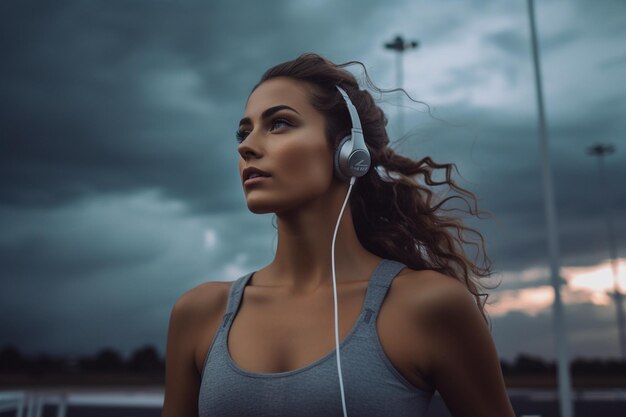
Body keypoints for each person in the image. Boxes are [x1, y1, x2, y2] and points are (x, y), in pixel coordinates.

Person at [161, 53, 516, 417]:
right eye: (243, 131)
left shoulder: (427, 305)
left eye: (279, 123)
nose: (246, 145)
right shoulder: (201, 313)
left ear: (349, 151)